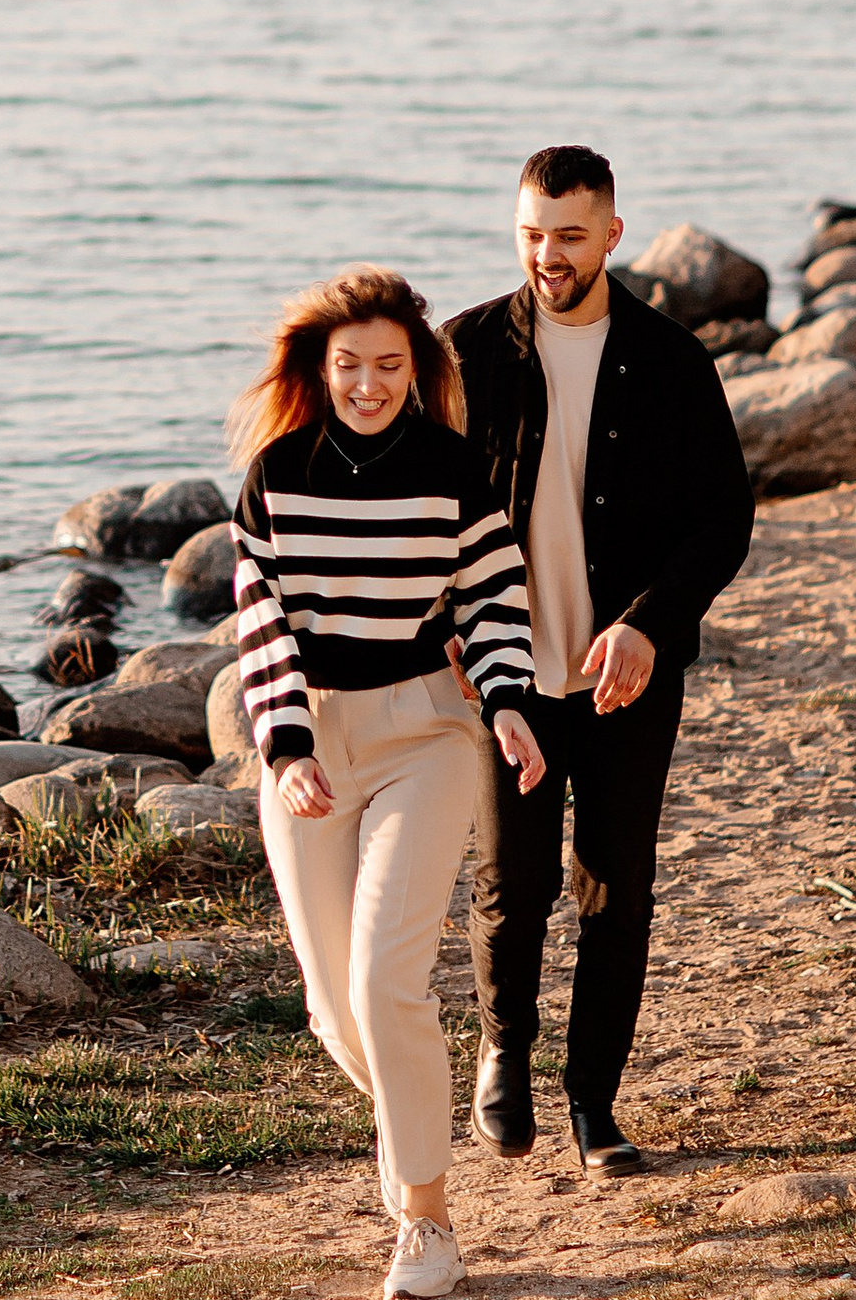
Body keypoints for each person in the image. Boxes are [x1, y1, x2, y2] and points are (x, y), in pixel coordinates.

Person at [228, 264, 547, 1300]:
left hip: (427, 732)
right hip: (310, 736)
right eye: (349, 365)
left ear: (417, 371)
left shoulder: (456, 469)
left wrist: (506, 703)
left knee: (386, 981)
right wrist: (283, 745)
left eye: (387, 366)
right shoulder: (274, 476)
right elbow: (259, 622)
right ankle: (416, 1117)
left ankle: (425, 1219)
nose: (367, 383)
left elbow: (491, 598)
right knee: (332, 1007)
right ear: (321, 370)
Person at [442, 146, 753, 1177]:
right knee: (511, 880)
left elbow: (722, 520)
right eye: (531, 232)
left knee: (614, 884)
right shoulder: (465, 352)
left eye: (569, 235)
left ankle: (593, 1103)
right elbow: (423, 519)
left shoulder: (670, 359)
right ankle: (502, 1049)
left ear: (612, 235)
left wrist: (648, 621)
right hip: (507, 676)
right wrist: (450, 633)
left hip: (626, 676)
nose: (547, 254)